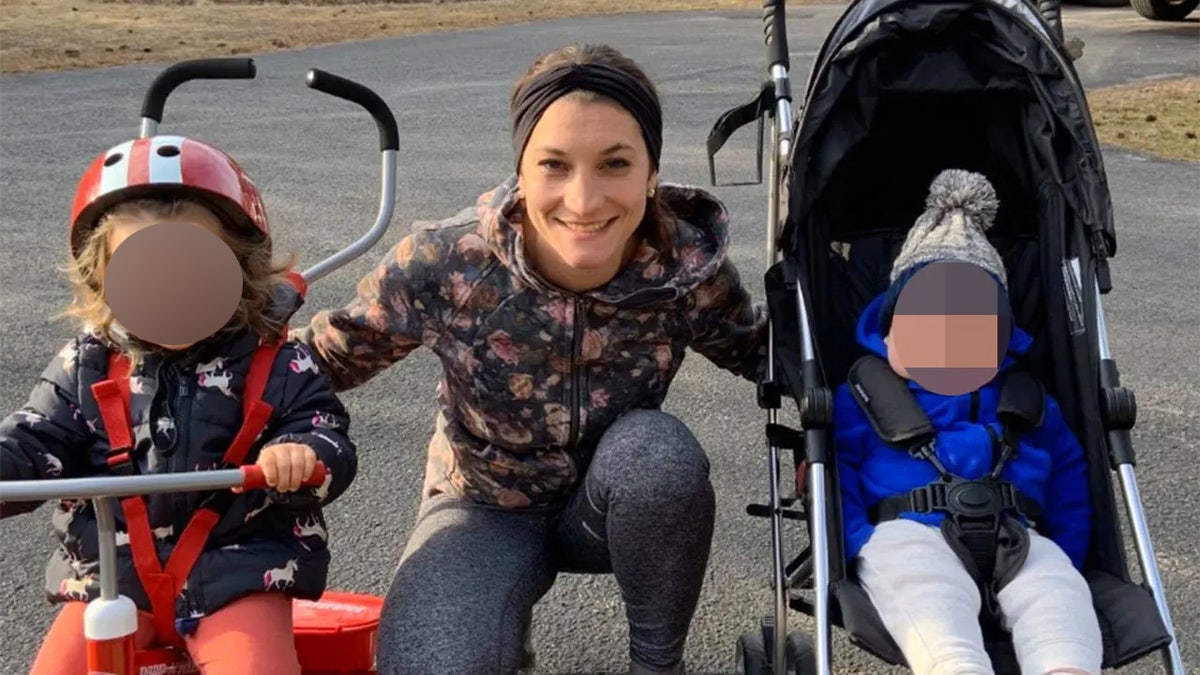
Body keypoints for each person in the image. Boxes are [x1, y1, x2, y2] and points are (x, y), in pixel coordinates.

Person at [290, 43, 767, 675]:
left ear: (651, 171)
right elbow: (319, 361)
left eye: (615, 163)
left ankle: (657, 665)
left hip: (612, 505)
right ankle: (495, 640)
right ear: (521, 170)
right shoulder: (448, 262)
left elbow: (769, 355)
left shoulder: (684, 268)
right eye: (554, 165)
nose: (584, 200)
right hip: (482, 504)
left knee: (658, 455)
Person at [0, 135, 358, 674]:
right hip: (111, 573)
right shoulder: (86, 364)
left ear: (238, 267)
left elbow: (324, 428)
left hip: (237, 570)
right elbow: (34, 437)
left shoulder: (278, 361)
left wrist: (300, 452)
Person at [832, 169, 1103, 675]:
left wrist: (1066, 552)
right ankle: (957, 665)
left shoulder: (1027, 399)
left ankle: (1064, 666)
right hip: (908, 531)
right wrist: (855, 540)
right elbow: (839, 471)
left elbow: (1069, 477)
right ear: (890, 331)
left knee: (1057, 593)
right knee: (924, 592)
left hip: (1017, 533)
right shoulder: (864, 396)